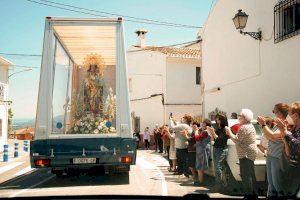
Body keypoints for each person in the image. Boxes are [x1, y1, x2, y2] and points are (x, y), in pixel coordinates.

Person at [257, 103, 289, 197]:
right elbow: (269, 136)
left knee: (277, 185)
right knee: (271, 185)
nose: (273, 113)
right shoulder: (276, 124)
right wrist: (263, 126)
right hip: (271, 156)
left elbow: (272, 136)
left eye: (274, 111)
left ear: (280, 112)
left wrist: (263, 124)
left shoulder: (285, 124)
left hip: (277, 157)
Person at [225, 109, 258, 195]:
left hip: (246, 153)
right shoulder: (249, 125)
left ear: (245, 118)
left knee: (246, 175)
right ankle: (254, 194)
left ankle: (249, 195)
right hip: (249, 152)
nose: (239, 118)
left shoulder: (244, 127)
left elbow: (237, 140)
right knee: (250, 174)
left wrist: (229, 132)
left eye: (240, 116)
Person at [274, 101, 300, 197]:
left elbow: (298, 145)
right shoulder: (294, 129)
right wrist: (283, 131)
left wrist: (285, 132)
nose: (288, 117)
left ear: (296, 115)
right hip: (292, 166)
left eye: (289, 114)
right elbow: (288, 151)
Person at [206, 113, 229, 192]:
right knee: (217, 168)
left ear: (222, 120)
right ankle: (220, 184)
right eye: (216, 118)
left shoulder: (225, 128)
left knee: (218, 167)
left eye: (218, 118)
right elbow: (214, 139)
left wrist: (213, 132)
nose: (217, 120)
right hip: (216, 148)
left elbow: (220, 139)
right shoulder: (218, 128)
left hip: (222, 149)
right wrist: (211, 132)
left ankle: (219, 185)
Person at [170, 114, 193, 179]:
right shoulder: (186, 125)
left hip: (181, 146)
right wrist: (174, 121)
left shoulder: (184, 125)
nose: (181, 118)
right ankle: (183, 173)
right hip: (182, 145)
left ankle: (186, 175)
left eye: (183, 118)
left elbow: (172, 127)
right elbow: (177, 125)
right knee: (182, 161)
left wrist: (171, 120)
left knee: (184, 161)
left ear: (185, 119)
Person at [194, 119, 211, 185]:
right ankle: (200, 180)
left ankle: (200, 181)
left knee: (200, 166)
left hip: (202, 150)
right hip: (202, 149)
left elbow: (197, 138)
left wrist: (196, 131)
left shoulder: (205, 132)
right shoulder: (206, 131)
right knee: (201, 165)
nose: (202, 125)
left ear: (206, 125)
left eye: (203, 124)